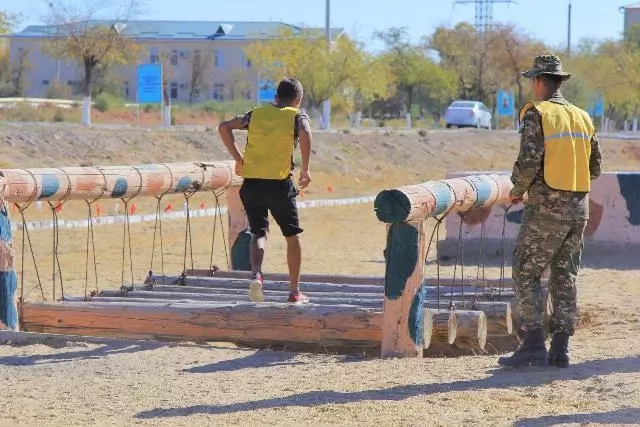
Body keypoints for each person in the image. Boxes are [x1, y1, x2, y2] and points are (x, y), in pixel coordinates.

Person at [498, 55, 602, 368]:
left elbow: (528, 162)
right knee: (564, 274)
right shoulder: (582, 116)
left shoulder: (537, 113)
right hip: (578, 206)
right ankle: (560, 348)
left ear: (541, 81)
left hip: (545, 207)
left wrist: (517, 190)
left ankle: (532, 342)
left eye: (533, 80)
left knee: (526, 270)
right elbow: (595, 167)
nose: (533, 85)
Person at [218, 78, 312, 304]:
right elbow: (306, 132)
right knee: (292, 237)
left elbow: (224, 127)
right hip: (279, 184)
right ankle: (293, 292)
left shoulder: (256, 114)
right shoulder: (296, 115)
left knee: (259, 232)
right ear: (297, 100)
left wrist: (238, 159)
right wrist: (306, 169)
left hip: (252, 184)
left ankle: (256, 275)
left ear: (276, 97)